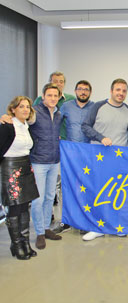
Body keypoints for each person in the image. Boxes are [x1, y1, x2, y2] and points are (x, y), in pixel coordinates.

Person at [81, 78, 128, 241]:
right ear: (111, 91)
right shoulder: (98, 106)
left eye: (124, 91)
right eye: (118, 90)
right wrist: (101, 137)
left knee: (118, 192)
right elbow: (85, 126)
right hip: (100, 158)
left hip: (120, 160)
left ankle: (117, 226)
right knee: (99, 193)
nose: (121, 93)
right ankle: (98, 227)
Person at [52, 80, 95, 234]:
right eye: (80, 89)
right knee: (67, 187)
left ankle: (84, 221)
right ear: (75, 91)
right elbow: (54, 122)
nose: (83, 92)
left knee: (86, 187)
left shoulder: (95, 107)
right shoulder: (66, 106)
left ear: (90, 92)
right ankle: (66, 221)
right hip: (70, 154)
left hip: (88, 154)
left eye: (86, 89)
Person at [0, 97, 39, 260]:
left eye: (28, 107)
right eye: (21, 106)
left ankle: (25, 243)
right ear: (13, 109)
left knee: (24, 207)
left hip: (25, 167)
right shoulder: (7, 125)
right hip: (11, 168)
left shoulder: (26, 126)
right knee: (14, 208)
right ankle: (16, 244)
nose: (25, 109)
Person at [30, 83, 64, 249]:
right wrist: (7, 117)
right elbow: (22, 119)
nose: (52, 98)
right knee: (38, 199)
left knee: (50, 197)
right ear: (43, 96)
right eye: (49, 95)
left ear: (59, 97)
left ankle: (45, 228)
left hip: (54, 160)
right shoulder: (34, 111)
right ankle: (39, 233)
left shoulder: (58, 114)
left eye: (55, 96)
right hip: (38, 161)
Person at [33, 71, 75, 140]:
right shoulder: (40, 100)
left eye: (61, 82)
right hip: (44, 140)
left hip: (65, 139)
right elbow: (30, 117)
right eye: (55, 81)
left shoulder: (71, 99)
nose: (58, 84)